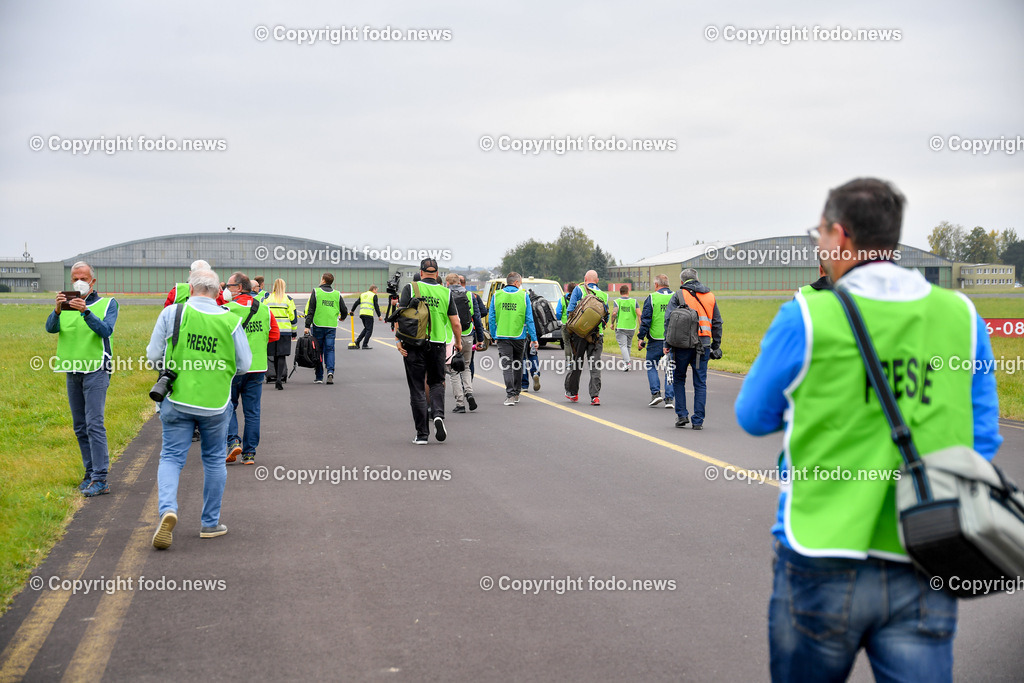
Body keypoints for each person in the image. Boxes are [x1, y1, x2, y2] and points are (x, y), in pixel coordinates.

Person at [735, 178, 1003, 681]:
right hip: (927, 551)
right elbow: (982, 439)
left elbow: (753, 416)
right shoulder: (960, 317)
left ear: (840, 235)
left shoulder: (807, 316)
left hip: (820, 548)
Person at [146, 269, 252, 548]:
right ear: (219, 293)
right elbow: (244, 364)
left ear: (190, 290)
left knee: (171, 457)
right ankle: (210, 523)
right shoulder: (231, 320)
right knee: (215, 460)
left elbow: (154, 355)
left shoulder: (173, 313)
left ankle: (168, 509)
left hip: (178, 397)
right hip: (216, 402)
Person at [46, 261, 119, 497]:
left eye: (84, 278)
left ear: (92, 281)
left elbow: (105, 330)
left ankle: (101, 478)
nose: (80, 281)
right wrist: (57, 310)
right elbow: (50, 328)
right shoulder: (64, 304)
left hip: (96, 369)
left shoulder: (107, 303)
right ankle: (89, 474)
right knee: (80, 426)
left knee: (94, 424)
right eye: (75, 278)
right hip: (72, 368)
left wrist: (85, 312)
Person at [397, 259, 462, 444]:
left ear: (421, 272)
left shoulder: (410, 288)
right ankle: (439, 415)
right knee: (436, 382)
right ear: (437, 273)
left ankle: (422, 435)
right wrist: (457, 343)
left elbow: (401, 316)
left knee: (417, 387)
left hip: (414, 343)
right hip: (438, 344)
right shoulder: (445, 292)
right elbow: (456, 322)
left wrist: (398, 340)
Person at [224, 272, 279, 464]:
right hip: (257, 367)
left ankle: (232, 441)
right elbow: (274, 335)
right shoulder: (264, 309)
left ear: (239, 288)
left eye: (229, 286)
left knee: (228, 406)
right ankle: (249, 453)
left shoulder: (226, 310)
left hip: (233, 367)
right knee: (253, 411)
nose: (226, 290)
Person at [664, 268, 722, 429]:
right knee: (700, 382)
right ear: (698, 279)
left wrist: (666, 344)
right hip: (703, 344)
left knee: (679, 379)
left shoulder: (679, 295)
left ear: (682, 282)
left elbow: (669, 321)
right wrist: (715, 345)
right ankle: (698, 421)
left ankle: (682, 415)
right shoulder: (710, 296)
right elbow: (717, 322)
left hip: (681, 345)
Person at [489, 272, 538, 406]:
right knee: (518, 364)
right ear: (516, 282)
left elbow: (491, 317)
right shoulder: (524, 296)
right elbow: (529, 318)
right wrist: (534, 338)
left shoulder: (497, 295)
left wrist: (494, 335)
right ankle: (516, 393)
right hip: (519, 335)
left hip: (503, 335)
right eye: (520, 282)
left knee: (507, 366)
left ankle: (510, 395)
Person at [563, 270, 608, 406]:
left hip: (579, 334)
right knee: (595, 365)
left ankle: (573, 393)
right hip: (596, 336)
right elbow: (604, 318)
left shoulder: (579, 289)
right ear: (597, 280)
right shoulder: (603, 295)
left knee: (577, 363)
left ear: (585, 279)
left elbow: (570, 311)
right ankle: (595, 397)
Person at [637, 274, 675, 409]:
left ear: (656, 285)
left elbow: (646, 319)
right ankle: (669, 399)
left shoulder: (652, 297)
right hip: (672, 339)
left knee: (651, 365)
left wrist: (641, 337)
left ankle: (656, 393)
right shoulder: (676, 297)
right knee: (670, 368)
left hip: (655, 338)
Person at [304, 272, 348, 384]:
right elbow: (344, 309)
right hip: (331, 325)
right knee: (330, 349)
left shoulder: (316, 292)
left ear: (323, 280)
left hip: (318, 325)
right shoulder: (337, 294)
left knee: (318, 350)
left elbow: (311, 310)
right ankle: (330, 372)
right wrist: (342, 317)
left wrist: (307, 326)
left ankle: (319, 376)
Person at [444, 274, 478, 413]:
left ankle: (460, 403)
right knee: (466, 366)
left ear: (447, 283)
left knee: (454, 371)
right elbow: (476, 316)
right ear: (459, 282)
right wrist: (480, 338)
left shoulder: (445, 294)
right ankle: (469, 392)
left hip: (452, 336)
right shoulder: (470, 295)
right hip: (468, 334)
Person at [265, 278, 297, 389]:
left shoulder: (267, 298)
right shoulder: (288, 299)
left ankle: (276, 377)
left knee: (273, 354)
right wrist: (294, 331)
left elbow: (264, 314)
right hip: (284, 331)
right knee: (281, 355)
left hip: (271, 331)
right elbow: (293, 317)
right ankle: (279, 378)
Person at [610, 284, 638, 371]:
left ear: (620, 292)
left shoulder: (617, 301)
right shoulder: (634, 301)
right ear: (628, 291)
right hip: (631, 327)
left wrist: (612, 323)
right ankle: (626, 363)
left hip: (621, 326)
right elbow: (639, 314)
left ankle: (627, 363)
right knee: (628, 346)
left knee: (623, 346)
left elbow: (614, 313)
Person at [352, 285, 382, 349]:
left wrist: (352, 310)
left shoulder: (363, 294)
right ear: (374, 289)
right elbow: (376, 306)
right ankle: (364, 345)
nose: (376, 292)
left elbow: (356, 303)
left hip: (362, 314)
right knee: (369, 330)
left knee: (366, 328)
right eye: (376, 290)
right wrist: (379, 315)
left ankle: (357, 341)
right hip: (368, 314)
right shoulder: (374, 295)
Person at [555, 281, 578, 366]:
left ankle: (569, 361)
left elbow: (558, 312)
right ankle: (577, 359)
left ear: (567, 290)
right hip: (576, 324)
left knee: (567, 342)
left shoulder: (562, 299)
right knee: (576, 342)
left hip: (565, 324)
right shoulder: (578, 300)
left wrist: (560, 318)